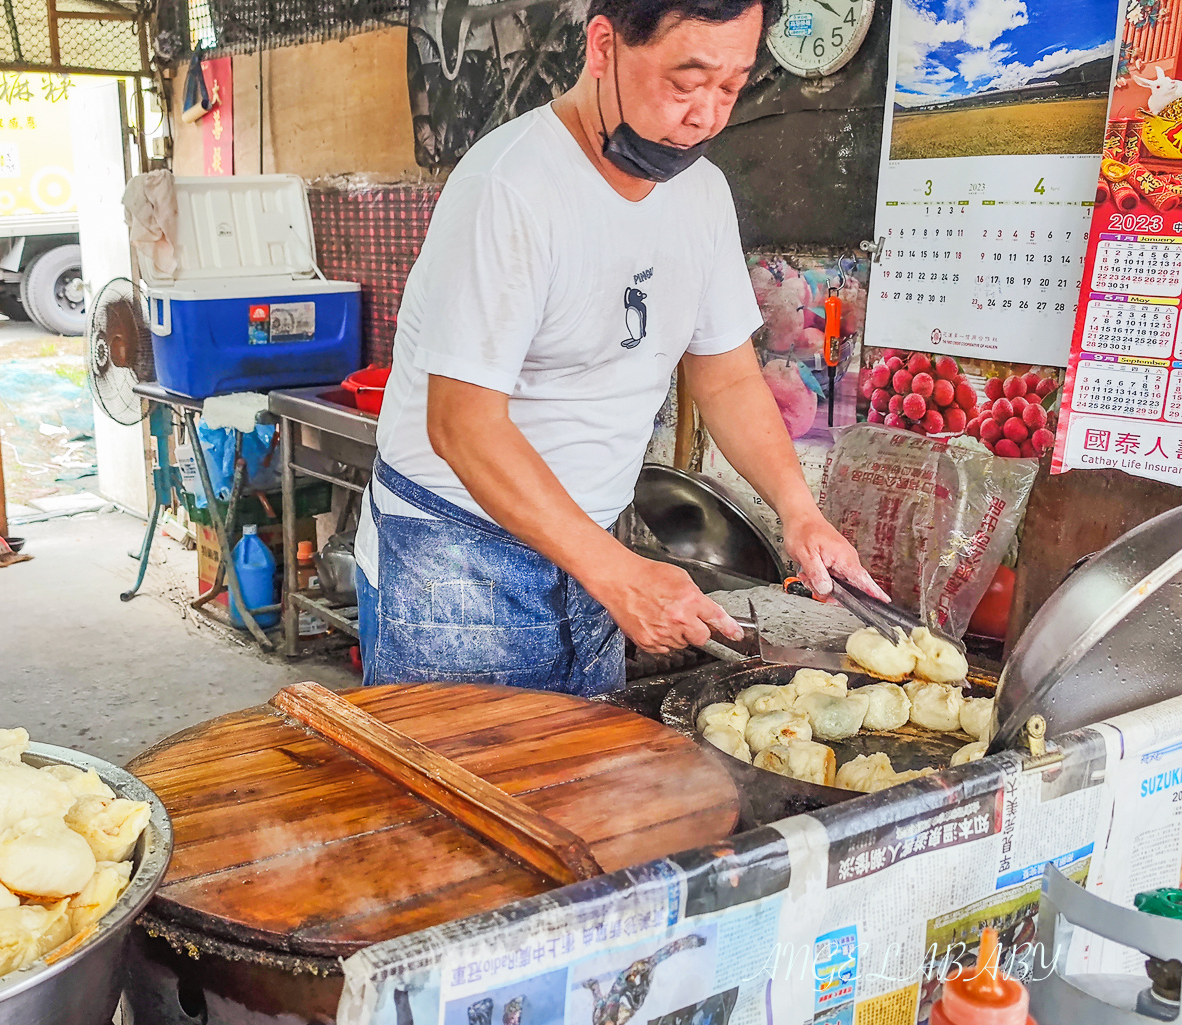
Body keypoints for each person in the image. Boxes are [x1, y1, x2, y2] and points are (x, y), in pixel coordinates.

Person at [354, 0, 883, 694]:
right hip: (457, 561)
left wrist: (799, 511)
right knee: (457, 796)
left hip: (593, 549)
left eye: (732, 86)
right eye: (685, 82)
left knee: (584, 793)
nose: (707, 117)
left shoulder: (701, 195)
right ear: (602, 47)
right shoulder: (510, 187)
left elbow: (725, 377)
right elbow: (462, 425)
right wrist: (617, 572)